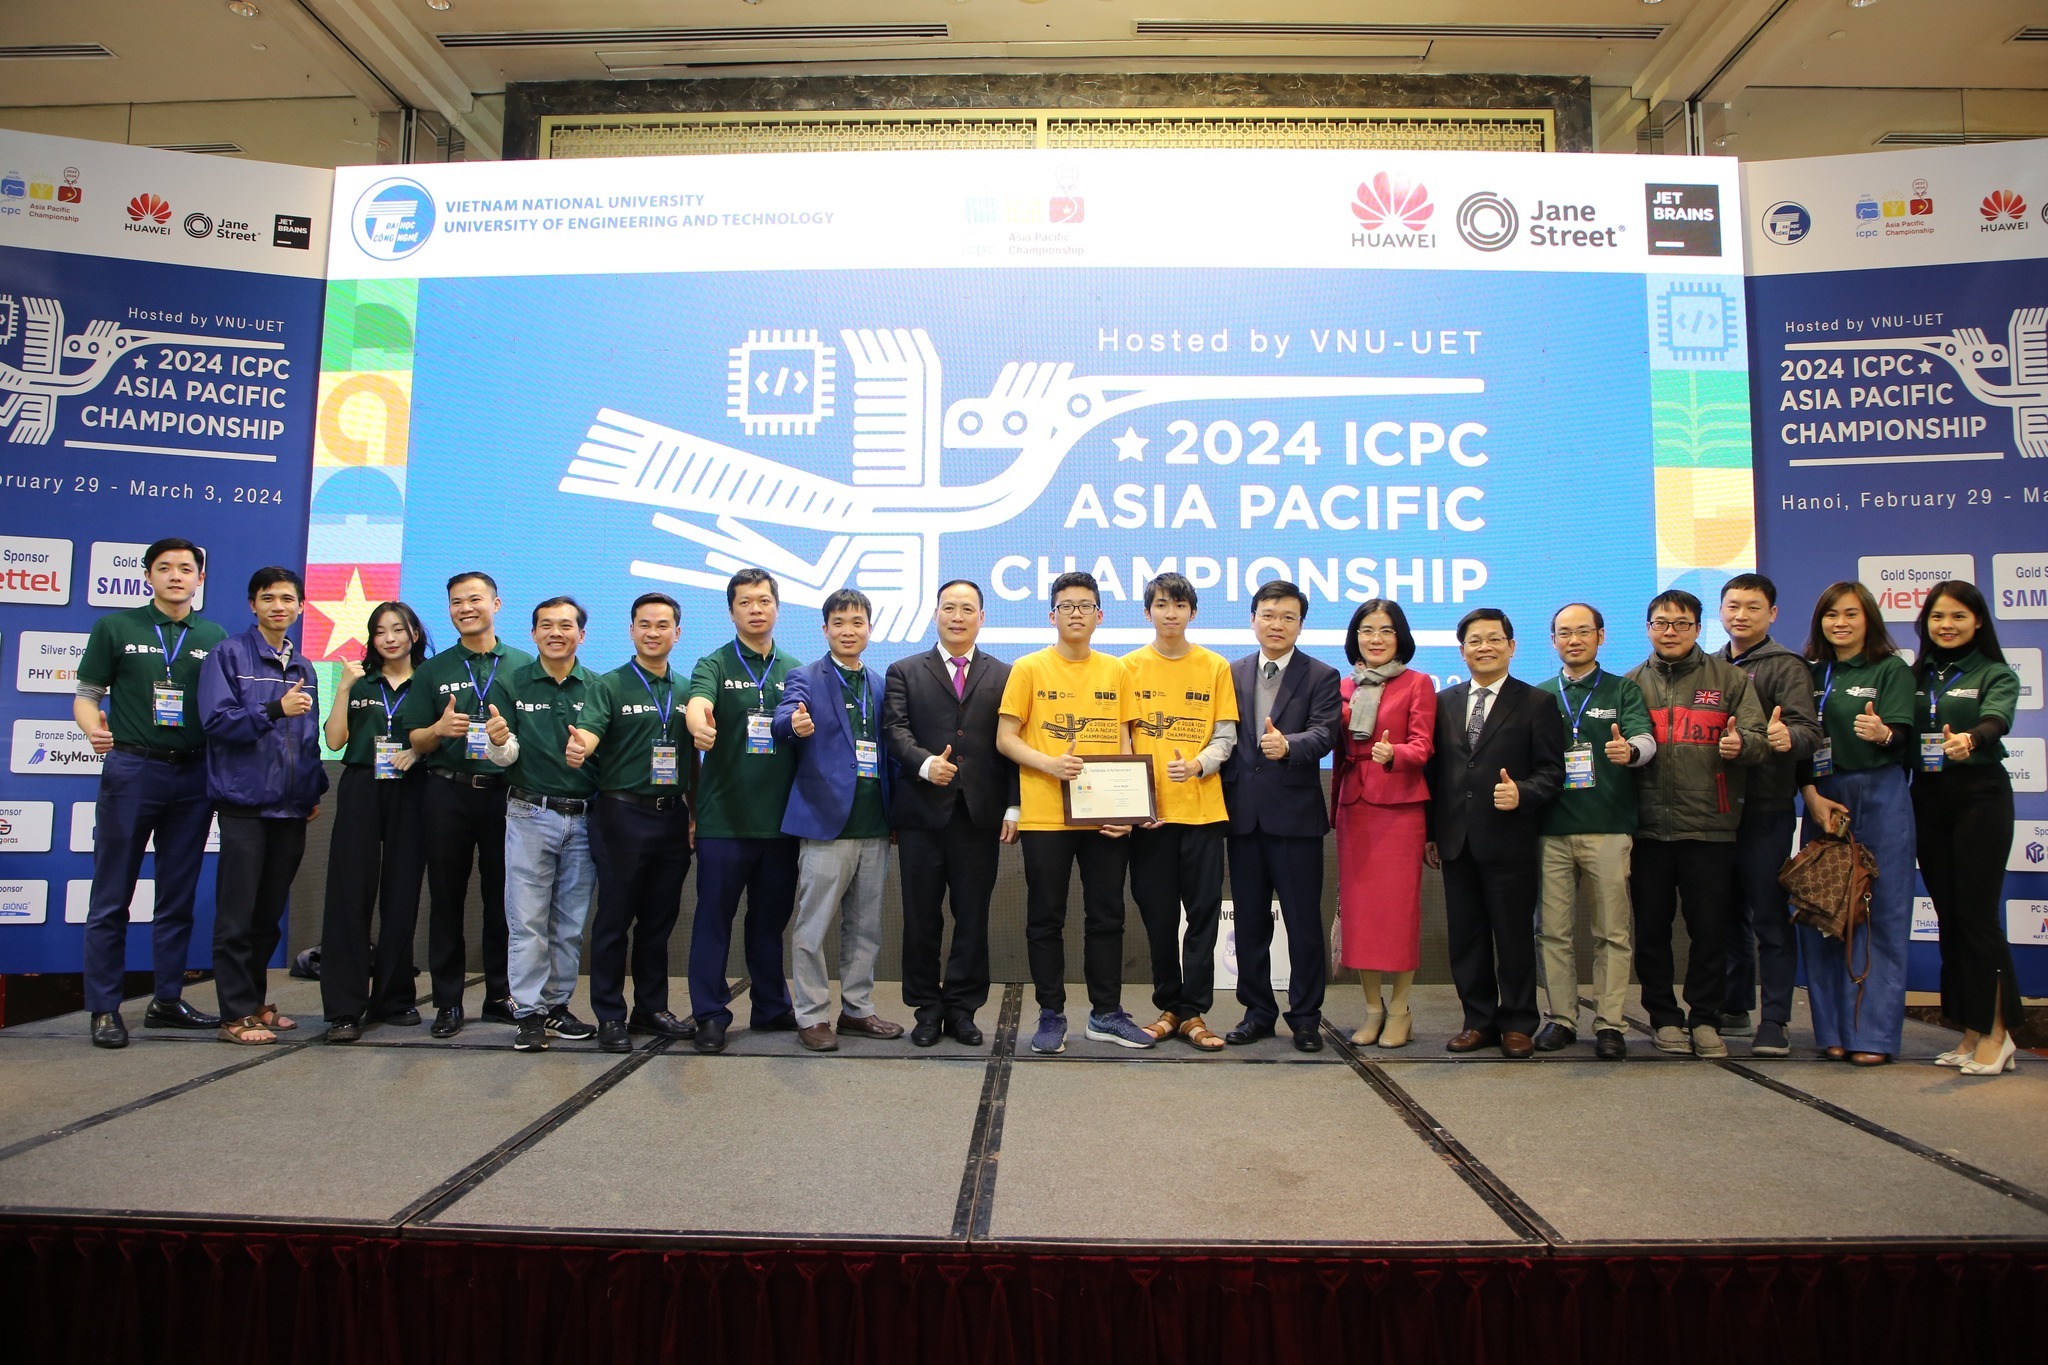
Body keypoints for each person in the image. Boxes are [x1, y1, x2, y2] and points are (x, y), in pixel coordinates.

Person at [74, 537, 229, 1048]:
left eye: (186, 568)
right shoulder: (116, 627)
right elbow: (87, 694)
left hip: (193, 775)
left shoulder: (213, 635)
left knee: (177, 897)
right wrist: (90, 728)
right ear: (148, 576)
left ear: (200, 578)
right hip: (133, 769)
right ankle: (104, 1008)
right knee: (111, 896)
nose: (175, 576)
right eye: (164, 568)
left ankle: (166, 1000)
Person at [997, 571, 1152, 1053]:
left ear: (1099, 615)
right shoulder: (1028, 668)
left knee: (1107, 915)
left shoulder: (1117, 670)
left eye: (1085, 606)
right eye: (1066, 606)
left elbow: (1126, 742)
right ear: (1052, 616)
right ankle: (1051, 1014)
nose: (1076, 613)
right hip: (1046, 814)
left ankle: (1106, 1013)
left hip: (1104, 815)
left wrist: (1128, 808)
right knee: (1046, 917)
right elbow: (1005, 738)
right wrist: (1049, 764)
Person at [1626, 589, 1766, 1059]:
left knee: (1709, 931)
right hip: (1647, 829)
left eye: (1681, 623)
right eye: (1661, 623)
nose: (1671, 631)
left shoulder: (1730, 679)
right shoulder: (1630, 684)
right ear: (1648, 628)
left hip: (1710, 826)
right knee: (1651, 931)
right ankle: (1664, 1018)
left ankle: (1706, 1018)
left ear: (1698, 628)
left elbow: (1758, 738)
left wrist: (1742, 745)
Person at [394, 572, 532, 1038]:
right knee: (446, 899)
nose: (466, 608)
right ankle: (448, 1002)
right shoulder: (433, 669)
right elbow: (415, 739)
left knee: (503, 900)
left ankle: (500, 996)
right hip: (446, 792)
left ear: (497, 603)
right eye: (456, 602)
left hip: (505, 794)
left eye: (475, 599)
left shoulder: (523, 665)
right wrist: (437, 731)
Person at [881, 579, 1018, 1048]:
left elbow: (1013, 745)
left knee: (972, 917)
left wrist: (1014, 805)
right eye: (949, 608)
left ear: (982, 617)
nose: (957, 617)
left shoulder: (1005, 674)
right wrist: (924, 764)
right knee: (920, 918)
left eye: (967, 609)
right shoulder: (904, 671)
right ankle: (926, 1008)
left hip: (979, 816)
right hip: (921, 814)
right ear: (935, 614)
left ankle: (962, 1008)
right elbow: (894, 729)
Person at [1424, 608, 1564, 1059]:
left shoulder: (1536, 702)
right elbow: (1434, 773)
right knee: (1466, 937)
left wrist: (1523, 792)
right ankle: (1477, 1021)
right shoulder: (1442, 702)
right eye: (1475, 641)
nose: (1484, 647)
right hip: (1456, 839)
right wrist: (1431, 832)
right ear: (1462, 650)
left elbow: (1552, 772)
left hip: (1509, 838)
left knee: (1513, 936)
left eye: (1493, 639)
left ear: (1511, 646)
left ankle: (1519, 1023)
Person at [198, 567, 329, 1044]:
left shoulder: (305, 666)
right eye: (268, 598)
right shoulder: (229, 654)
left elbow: (307, 739)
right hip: (245, 805)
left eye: (287, 599)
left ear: (301, 606)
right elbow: (217, 722)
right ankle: (234, 1015)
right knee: (236, 916)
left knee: (267, 916)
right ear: (252, 604)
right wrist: (273, 709)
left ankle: (254, 1001)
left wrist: (312, 790)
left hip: (291, 809)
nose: (278, 606)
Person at [775, 589, 904, 1050]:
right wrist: (794, 725)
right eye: (839, 622)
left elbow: (890, 752)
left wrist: (896, 814)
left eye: (857, 622)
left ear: (869, 628)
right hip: (826, 822)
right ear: (825, 629)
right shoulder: (804, 676)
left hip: (875, 824)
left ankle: (857, 1010)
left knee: (865, 927)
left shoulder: (880, 684)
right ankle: (811, 1016)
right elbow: (783, 718)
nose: (848, 631)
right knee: (812, 928)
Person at [571, 593, 698, 1053]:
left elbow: (693, 759)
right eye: (644, 624)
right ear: (631, 631)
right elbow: (589, 732)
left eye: (662, 625)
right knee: (614, 919)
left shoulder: (688, 690)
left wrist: (694, 814)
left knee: (658, 922)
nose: (653, 632)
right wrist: (580, 746)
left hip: (672, 817)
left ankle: (651, 1008)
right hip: (621, 815)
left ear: (677, 633)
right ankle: (609, 1014)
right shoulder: (609, 685)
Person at [1798, 580, 1916, 1066]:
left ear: (1869, 618)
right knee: (1823, 911)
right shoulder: (1809, 671)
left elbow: (1905, 737)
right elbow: (1799, 743)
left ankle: (1872, 1034)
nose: (1840, 623)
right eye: (1831, 614)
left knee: (1879, 913)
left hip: (1879, 793)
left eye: (1850, 614)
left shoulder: (1891, 669)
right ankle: (1832, 1030)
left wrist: (1884, 733)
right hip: (1823, 797)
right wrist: (1811, 795)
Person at [684, 568, 802, 1054]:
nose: (756, 609)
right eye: (745, 602)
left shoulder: (796, 669)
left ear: (777, 607)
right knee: (713, 921)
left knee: (769, 923)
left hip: (780, 824)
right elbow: (698, 703)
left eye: (764, 600)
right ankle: (710, 1015)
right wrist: (699, 726)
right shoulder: (713, 663)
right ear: (731, 611)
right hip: (724, 822)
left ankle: (771, 1007)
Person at [1221, 581, 1341, 1050]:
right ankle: (1257, 1013)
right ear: (1253, 619)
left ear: (1300, 624)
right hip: (1242, 818)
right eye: (1269, 615)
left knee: (1302, 924)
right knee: (1250, 922)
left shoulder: (1321, 675)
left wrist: (1289, 745)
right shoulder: (1230, 672)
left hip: (1295, 819)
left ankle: (1306, 1017)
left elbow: (1326, 733)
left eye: (1288, 617)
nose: (1277, 624)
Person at [1910, 581, 2023, 1076]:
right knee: (1950, 917)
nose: (1947, 625)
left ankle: (1999, 1034)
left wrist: (1972, 740)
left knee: (1976, 917)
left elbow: (1998, 719)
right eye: (1938, 616)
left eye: (1958, 616)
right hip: (1927, 798)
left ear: (1977, 621)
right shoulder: (1916, 675)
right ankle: (1972, 1030)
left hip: (1980, 795)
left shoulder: (1995, 672)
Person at [1531, 603, 1654, 1061]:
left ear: (1601, 636)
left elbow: (1644, 739)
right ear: (1553, 641)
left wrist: (1632, 752)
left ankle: (1610, 1023)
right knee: (1552, 933)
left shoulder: (1623, 689)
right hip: (1551, 830)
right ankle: (1561, 1018)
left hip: (1608, 827)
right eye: (1564, 633)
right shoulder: (1541, 695)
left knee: (1612, 933)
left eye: (1583, 631)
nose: (1574, 640)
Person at [1122, 573, 1238, 1051]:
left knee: (1204, 915)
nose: (1170, 613)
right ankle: (1171, 1006)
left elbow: (1225, 737)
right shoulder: (1127, 667)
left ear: (1193, 612)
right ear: (1147, 611)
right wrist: (1134, 803)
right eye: (1161, 604)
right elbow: (1121, 741)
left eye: (1180, 605)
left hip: (1203, 813)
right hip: (1151, 820)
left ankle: (1193, 1011)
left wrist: (1196, 765)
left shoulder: (1215, 666)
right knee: (1158, 917)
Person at [482, 597, 600, 1053]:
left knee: (569, 924)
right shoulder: (512, 682)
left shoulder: (598, 686)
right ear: (533, 634)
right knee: (528, 920)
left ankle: (557, 1006)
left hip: (584, 817)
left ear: (581, 635)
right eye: (546, 625)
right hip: (530, 814)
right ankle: (528, 1013)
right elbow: (506, 754)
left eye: (566, 625)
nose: (556, 633)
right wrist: (497, 742)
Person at [1715, 573, 1825, 1057]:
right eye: (1733, 606)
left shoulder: (1787, 666)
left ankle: (1775, 1018)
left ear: (1772, 614)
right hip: (1716, 808)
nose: (1741, 615)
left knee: (1768, 916)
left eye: (1753, 607)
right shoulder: (1710, 664)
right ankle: (1734, 1006)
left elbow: (1809, 732)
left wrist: (1788, 738)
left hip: (1766, 807)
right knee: (1725, 915)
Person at [318, 600, 430, 1040]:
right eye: (380, 631)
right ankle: (344, 1007)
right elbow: (334, 740)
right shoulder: (359, 679)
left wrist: (417, 750)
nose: (389, 638)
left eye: (398, 629)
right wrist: (343, 688)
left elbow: (441, 733)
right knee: (350, 891)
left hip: (412, 785)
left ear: (414, 634)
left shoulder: (430, 679)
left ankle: (394, 997)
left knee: (402, 892)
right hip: (362, 784)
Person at [1330, 599, 1436, 1050]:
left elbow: (1424, 745)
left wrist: (1396, 754)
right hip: (1355, 808)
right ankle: (1372, 1009)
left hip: (1400, 808)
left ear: (1400, 637)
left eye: (1386, 630)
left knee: (1397, 915)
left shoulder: (1418, 683)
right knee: (1361, 916)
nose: (1376, 639)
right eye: (1367, 630)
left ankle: (1400, 1009)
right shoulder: (1343, 686)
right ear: (1355, 637)